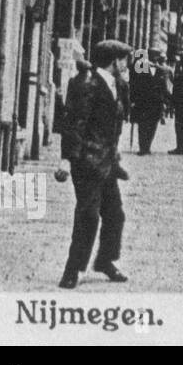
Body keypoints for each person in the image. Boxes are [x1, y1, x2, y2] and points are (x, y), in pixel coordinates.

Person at [58, 39, 132, 289]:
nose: (126, 64)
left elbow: (115, 125)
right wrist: (66, 160)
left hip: (107, 163)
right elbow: (75, 124)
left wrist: (115, 156)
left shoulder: (119, 85)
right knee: (88, 216)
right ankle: (73, 269)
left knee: (115, 215)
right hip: (87, 162)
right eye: (123, 59)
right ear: (113, 61)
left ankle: (105, 261)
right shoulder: (85, 84)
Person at [129, 49, 167, 156]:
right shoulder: (141, 67)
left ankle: (148, 146)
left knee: (153, 125)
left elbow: (163, 87)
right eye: (153, 55)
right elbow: (135, 85)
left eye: (157, 56)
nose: (155, 58)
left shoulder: (160, 70)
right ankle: (142, 147)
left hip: (157, 103)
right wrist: (133, 100)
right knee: (143, 125)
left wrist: (165, 100)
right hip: (143, 102)